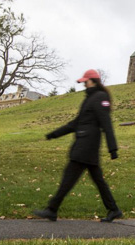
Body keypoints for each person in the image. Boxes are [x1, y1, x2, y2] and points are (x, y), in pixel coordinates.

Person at [34, 69, 122, 222]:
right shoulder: (90, 98)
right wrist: (54, 134)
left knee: (68, 179)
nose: (84, 85)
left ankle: (52, 209)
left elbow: (106, 123)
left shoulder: (100, 97)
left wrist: (112, 148)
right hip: (84, 146)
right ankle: (114, 210)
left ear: (93, 81)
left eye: (85, 82)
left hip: (86, 147)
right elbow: (75, 123)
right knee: (98, 181)